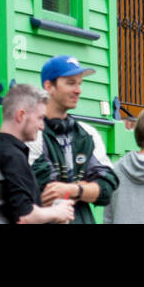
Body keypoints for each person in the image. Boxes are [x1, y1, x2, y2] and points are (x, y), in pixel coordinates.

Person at [28, 55, 119, 224]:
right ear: (49, 86)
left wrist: (72, 189)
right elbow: (49, 190)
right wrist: (87, 190)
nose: (78, 90)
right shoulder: (31, 133)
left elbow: (107, 186)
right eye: (70, 83)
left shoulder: (87, 133)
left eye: (79, 83)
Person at [0, 84, 75, 224]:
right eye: (40, 118)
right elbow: (25, 216)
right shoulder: (13, 156)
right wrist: (57, 212)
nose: (42, 126)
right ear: (21, 115)